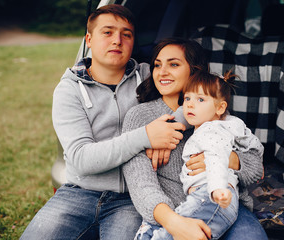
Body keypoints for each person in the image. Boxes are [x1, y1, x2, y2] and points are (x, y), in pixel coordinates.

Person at [21, 5, 186, 239]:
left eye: (126, 34)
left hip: (132, 197)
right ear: (89, 39)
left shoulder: (150, 76)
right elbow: (81, 159)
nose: (117, 40)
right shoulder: (69, 90)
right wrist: (147, 136)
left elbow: (199, 95)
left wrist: (169, 127)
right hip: (79, 192)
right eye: (107, 32)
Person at [122, 38, 268, 240]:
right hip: (172, 210)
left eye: (173, 64)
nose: (162, 71)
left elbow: (256, 170)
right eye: (157, 65)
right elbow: (141, 185)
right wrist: (173, 221)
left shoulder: (212, 109)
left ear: (194, 71)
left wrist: (229, 158)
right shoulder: (140, 116)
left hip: (224, 205)